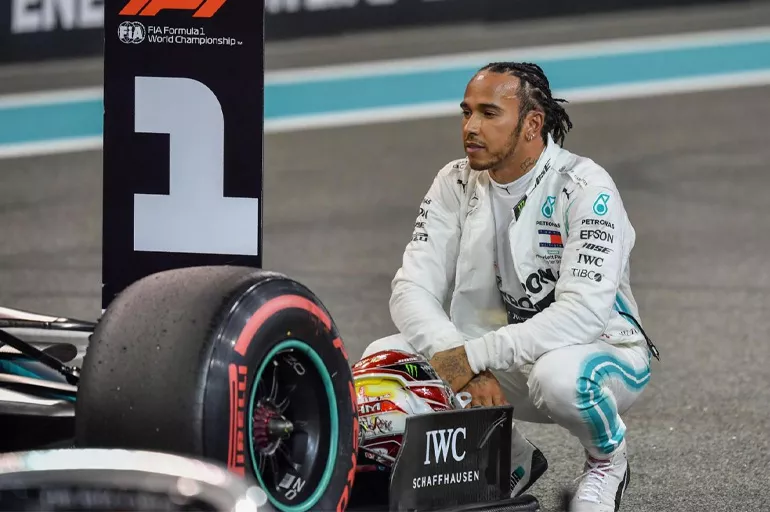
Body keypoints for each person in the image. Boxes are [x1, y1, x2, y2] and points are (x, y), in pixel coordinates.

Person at [360, 62, 659, 512]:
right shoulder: (454, 181)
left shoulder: (585, 187)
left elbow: (581, 315)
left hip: (598, 354)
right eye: (466, 113)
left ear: (532, 124)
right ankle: (509, 458)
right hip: (496, 360)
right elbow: (411, 288)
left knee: (560, 379)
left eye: (489, 113)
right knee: (384, 362)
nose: (470, 127)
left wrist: (473, 357)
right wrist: (459, 359)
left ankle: (607, 462)